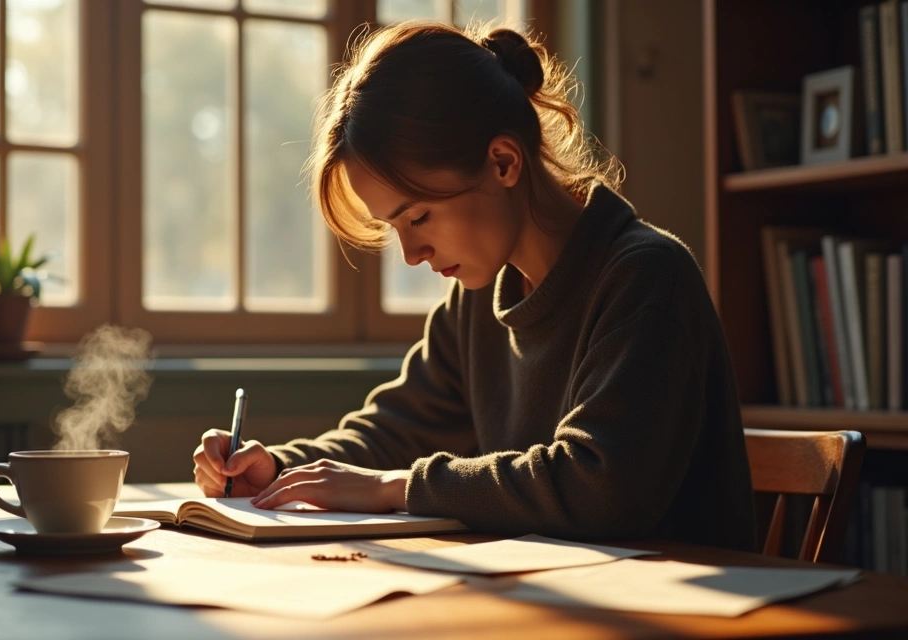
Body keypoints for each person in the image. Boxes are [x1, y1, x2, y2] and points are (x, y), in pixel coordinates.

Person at [192, 21, 755, 551]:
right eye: (395, 228)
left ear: (503, 162)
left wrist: (395, 489)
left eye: (418, 218)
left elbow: (597, 485)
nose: (411, 255)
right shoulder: (478, 299)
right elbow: (394, 433)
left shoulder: (646, 277)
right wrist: (277, 469)